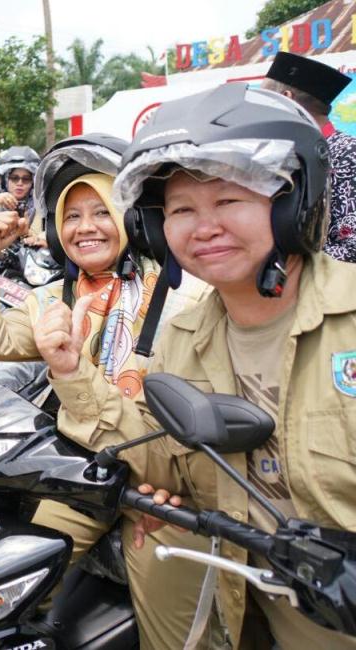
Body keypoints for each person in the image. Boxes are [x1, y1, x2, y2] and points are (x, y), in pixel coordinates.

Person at [60, 83, 356, 648]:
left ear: (293, 202)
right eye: (181, 210)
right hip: (241, 611)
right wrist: (74, 373)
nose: (204, 227)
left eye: (229, 201)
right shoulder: (182, 339)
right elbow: (161, 462)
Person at [0, 134, 210, 649]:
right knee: (3, 587)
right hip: (79, 477)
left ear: (134, 218)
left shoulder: (188, 294)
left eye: (101, 211)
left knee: (177, 630)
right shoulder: (57, 295)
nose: (85, 227)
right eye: (71, 216)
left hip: (163, 484)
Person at [261, 50, 356, 264]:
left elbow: (352, 246)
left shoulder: (349, 155)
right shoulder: (283, 157)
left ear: (286, 99)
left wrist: (287, 260)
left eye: (265, 100)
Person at [0, 146, 45, 245]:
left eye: (26, 179)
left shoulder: (40, 205)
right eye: (14, 178)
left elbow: (47, 235)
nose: (20, 183)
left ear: (33, 182)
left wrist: (33, 236)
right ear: (5, 180)